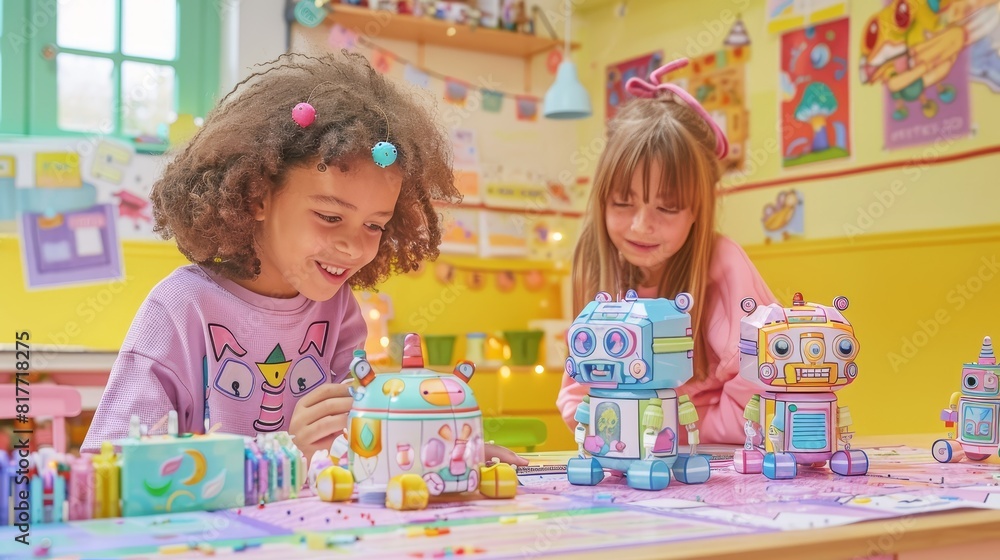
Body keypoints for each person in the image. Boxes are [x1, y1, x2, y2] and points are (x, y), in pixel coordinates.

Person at [83, 52, 526, 467]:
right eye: (330, 216)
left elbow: (357, 443)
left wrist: (445, 451)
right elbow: (115, 465)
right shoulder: (181, 309)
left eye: (374, 225)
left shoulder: (337, 311)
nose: (354, 246)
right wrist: (285, 452)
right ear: (257, 196)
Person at [557, 59, 777, 445]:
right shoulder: (597, 259)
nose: (642, 225)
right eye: (623, 203)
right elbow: (579, 390)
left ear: (697, 209)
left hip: (714, 457)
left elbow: (767, 365)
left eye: (667, 207)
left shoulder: (723, 266)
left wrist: (696, 432)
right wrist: (608, 427)